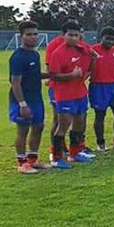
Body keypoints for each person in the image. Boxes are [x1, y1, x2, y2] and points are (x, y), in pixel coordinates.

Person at [48, 21, 96, 167]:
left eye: (76, 35)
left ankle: (75, 153)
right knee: (63, 124)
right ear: (63, 36)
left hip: (80, 92)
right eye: (70, 35)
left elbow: (89, 69)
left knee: (79, 122)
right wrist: (71, 75)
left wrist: (93, 58)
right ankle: (56, 158)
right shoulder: (58, 53)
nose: (74, 38)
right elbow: (53, 76)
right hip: (65, 95)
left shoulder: (83, 49)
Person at [9, 21, 48, 173]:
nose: (33, 37)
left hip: (36, 98)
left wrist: (55, 75)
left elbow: (36, 75)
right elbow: (15, 83)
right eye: (29, 34)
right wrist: (22, 104)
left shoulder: (35, 54)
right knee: (23, 130)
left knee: (38, 127)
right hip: (22, 100)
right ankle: (22, 163)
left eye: (35, 34)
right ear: (21, 36)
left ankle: (33, 159)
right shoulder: (17, 57)